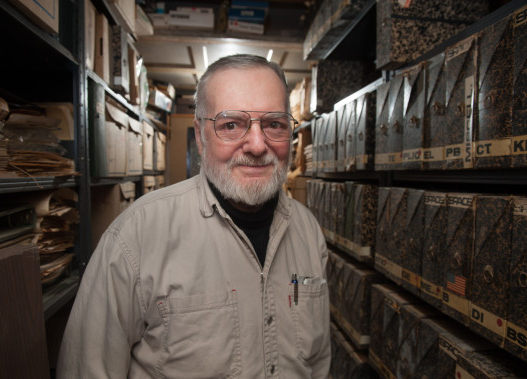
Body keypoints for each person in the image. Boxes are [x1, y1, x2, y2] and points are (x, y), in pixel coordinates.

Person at [57, 54, 331, 378]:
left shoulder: (308, 232)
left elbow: (318, 363)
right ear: (200, 137)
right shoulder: (136, 237)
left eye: (274, 124)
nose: (257, 145)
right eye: (231, 124)